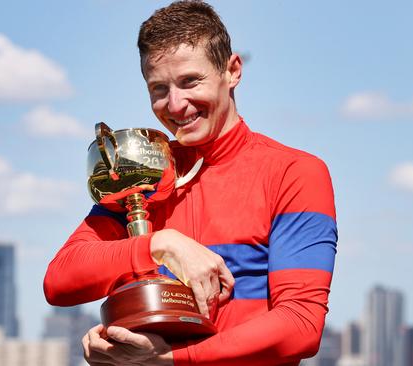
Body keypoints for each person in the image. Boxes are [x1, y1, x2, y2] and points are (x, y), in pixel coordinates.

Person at [43, 1, 338, 365]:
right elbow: (60, 280)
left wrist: (171, 359)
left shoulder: (293, 172)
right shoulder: (143, 172)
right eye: (159, 88)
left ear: (232, 71)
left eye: (190, 81)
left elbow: (300, 326)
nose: (176, 104)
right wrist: (160, 244)